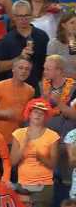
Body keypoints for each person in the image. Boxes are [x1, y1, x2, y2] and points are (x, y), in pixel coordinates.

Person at [10, 99, 59, 207]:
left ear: (46, 117)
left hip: (44, 185)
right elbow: (12, 162)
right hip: (23, 184)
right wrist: (24, 145)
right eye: (35, 112)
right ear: (29, 114)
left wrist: (40, 156)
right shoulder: (18, 133)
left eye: (41, 113)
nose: (37, 115)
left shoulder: (52, 136)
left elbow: (53, 165)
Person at [0, 0, 49, 95]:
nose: (24, 19)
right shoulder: (6, 39)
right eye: (20, 16)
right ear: (14, 17)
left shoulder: (42, 36)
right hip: (13, 89)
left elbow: (47, 64)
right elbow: (0, 67)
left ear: (31, 16)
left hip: (37, 88)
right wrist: (19, 58)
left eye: (26, 15)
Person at [40, 55, 76, 192]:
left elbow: (74, 115)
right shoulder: (42, 85)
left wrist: (58, 102)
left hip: (65, 139)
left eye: (48, 69)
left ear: (59, 71)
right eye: (44, 69)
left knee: (66, 183)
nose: (45, 72)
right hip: (46, 138)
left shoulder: (73, 88)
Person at [0, 56, 35, 145]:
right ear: (13, 69)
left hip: (16, 140)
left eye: (27, 69)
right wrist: (4, 114)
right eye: (20, 68)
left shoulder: (30, 90)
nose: (24, 71)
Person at [47, 12, 76, 79]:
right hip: (61, 83)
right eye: (72, 23)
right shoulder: (54, 43)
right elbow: (49, 69)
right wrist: (71, 76)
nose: (75, 26)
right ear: (63, 25)